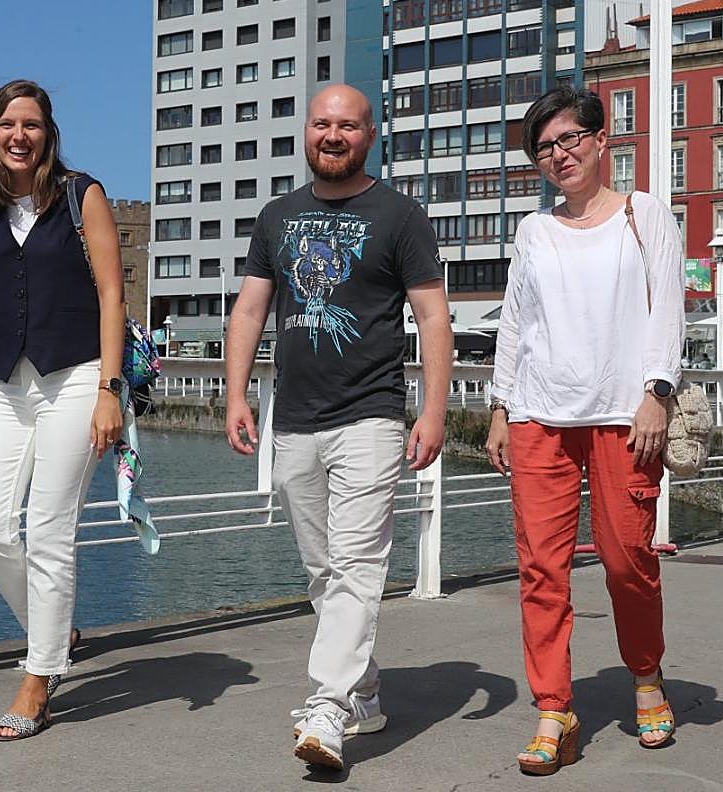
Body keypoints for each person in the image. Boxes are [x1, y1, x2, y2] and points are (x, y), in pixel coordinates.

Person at [224, 84, 453, 771]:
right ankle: (365, 692)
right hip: (294, 420)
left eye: (347, 126)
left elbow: (433, 317)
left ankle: (327, 706)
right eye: (322, 124)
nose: (333, 136)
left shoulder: (400, 215)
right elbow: (249, 311)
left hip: (371, 416)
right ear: (306, 131)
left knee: (357, 563)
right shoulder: (277, 216)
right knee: (324, 571)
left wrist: (434, 410)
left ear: (370, 135)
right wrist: (235, 394)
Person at [484, 86, 683, 775]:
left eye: (569, 139)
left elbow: (668, 308)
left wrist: (657, 393)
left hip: (623, 417)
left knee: (629, 562)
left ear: (602, 141)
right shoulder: (533, 231)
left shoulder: (643, 215)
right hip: (540, 416)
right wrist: (501, 406)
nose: (559, 155)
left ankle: (647, 675)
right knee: (542, 568)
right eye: (544, 148)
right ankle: (554, 709)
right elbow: (516, 321)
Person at [0, 79, 125, 741]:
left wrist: (109, 390)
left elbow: (112, 295)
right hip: (3, 386)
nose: (20, 136)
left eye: (32, 124)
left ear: (49, 133)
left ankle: (39, 678)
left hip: (75, 379)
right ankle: (55, 629)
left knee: (48, 531)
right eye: (8, 125)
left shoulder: (82, 195)